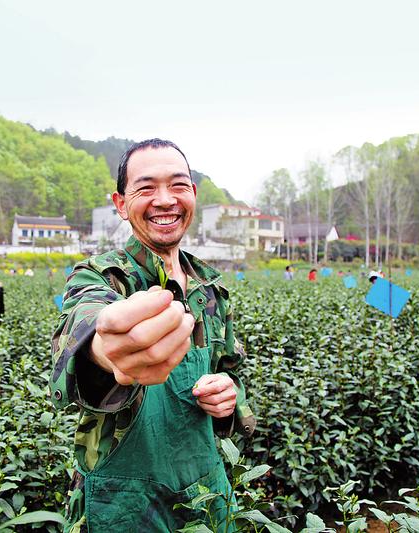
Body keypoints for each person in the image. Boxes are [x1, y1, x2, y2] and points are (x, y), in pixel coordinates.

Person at [50, 139, 254, 532]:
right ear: (121, 204)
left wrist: (229, 398)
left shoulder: (211, 290)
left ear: (193, 195)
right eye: (146, 188)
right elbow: (87, 320)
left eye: (178, 185)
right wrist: (104, 350)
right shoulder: (103, 277)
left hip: (205, 491)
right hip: (123, 501)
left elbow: (232, 374)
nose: (164, 200)